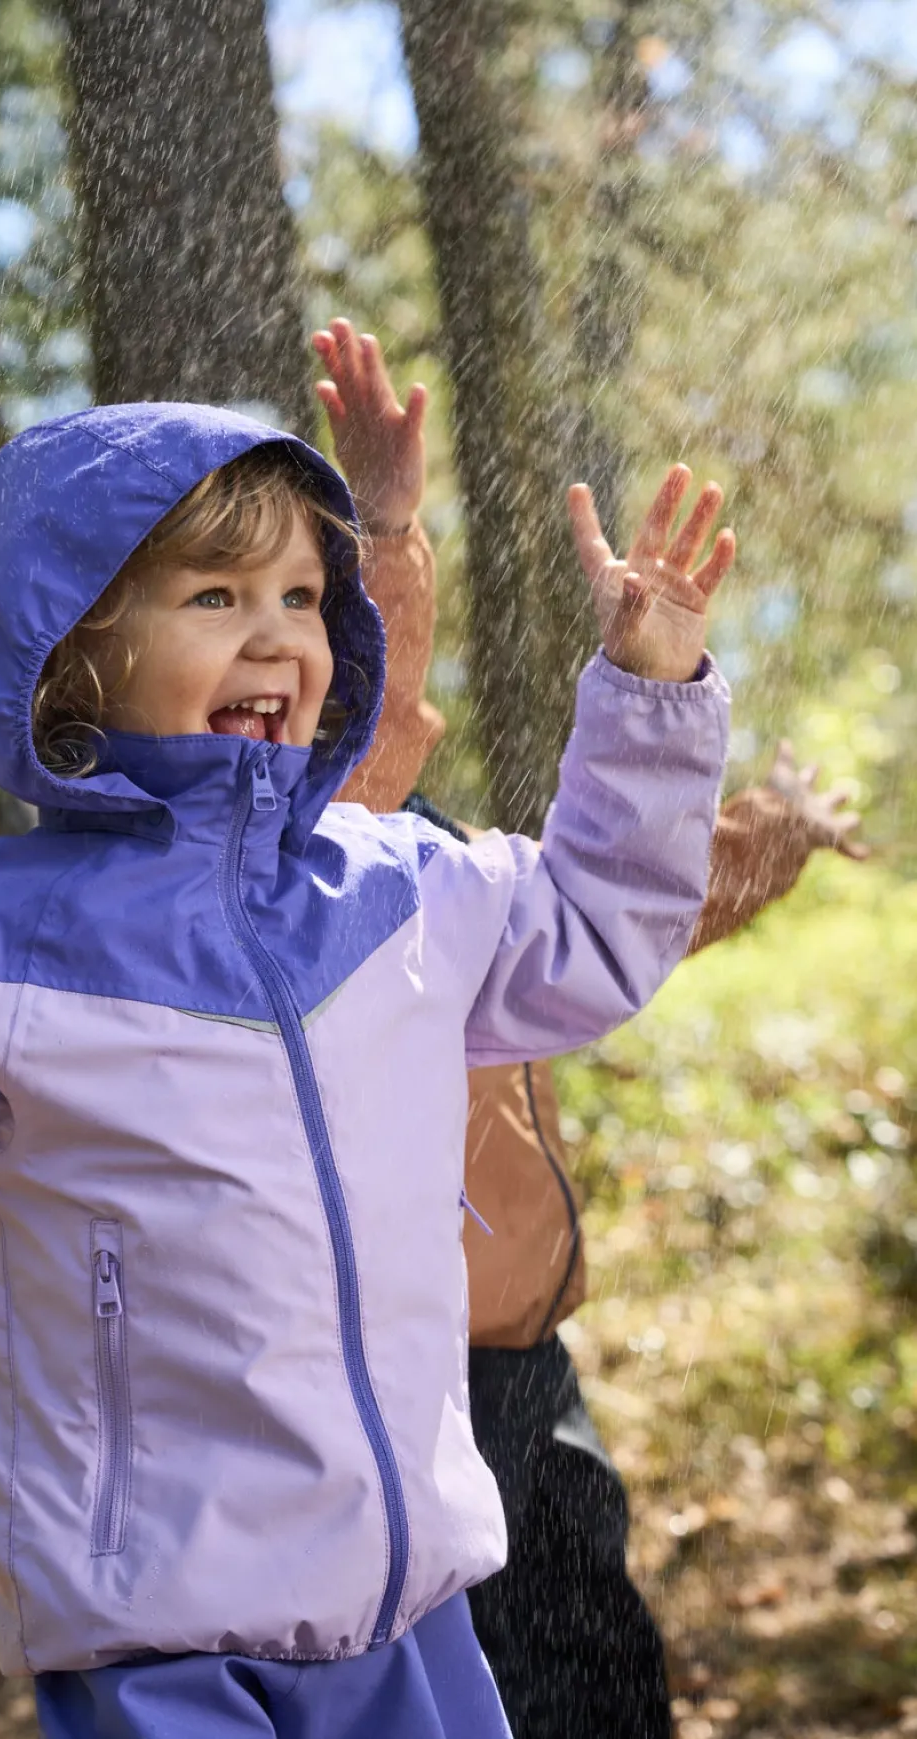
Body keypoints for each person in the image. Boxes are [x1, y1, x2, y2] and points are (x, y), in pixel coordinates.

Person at [0, 381, 732, 1737]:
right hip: (166, 1641)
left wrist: (651, 690)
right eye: (214, 599)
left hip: (411, 1615)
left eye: (296, 598)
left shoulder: (395, 886)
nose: (276, 636)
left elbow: (596, 931)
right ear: (74, 654)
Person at [313, 318, 866, 1739]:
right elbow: (362, 720)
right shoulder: (339, 878)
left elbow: (638, 900)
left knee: (595, 1660)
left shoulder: (473, 887)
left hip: (526, 1364)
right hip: (411, 1388)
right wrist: (384, 525)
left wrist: (781, 830)